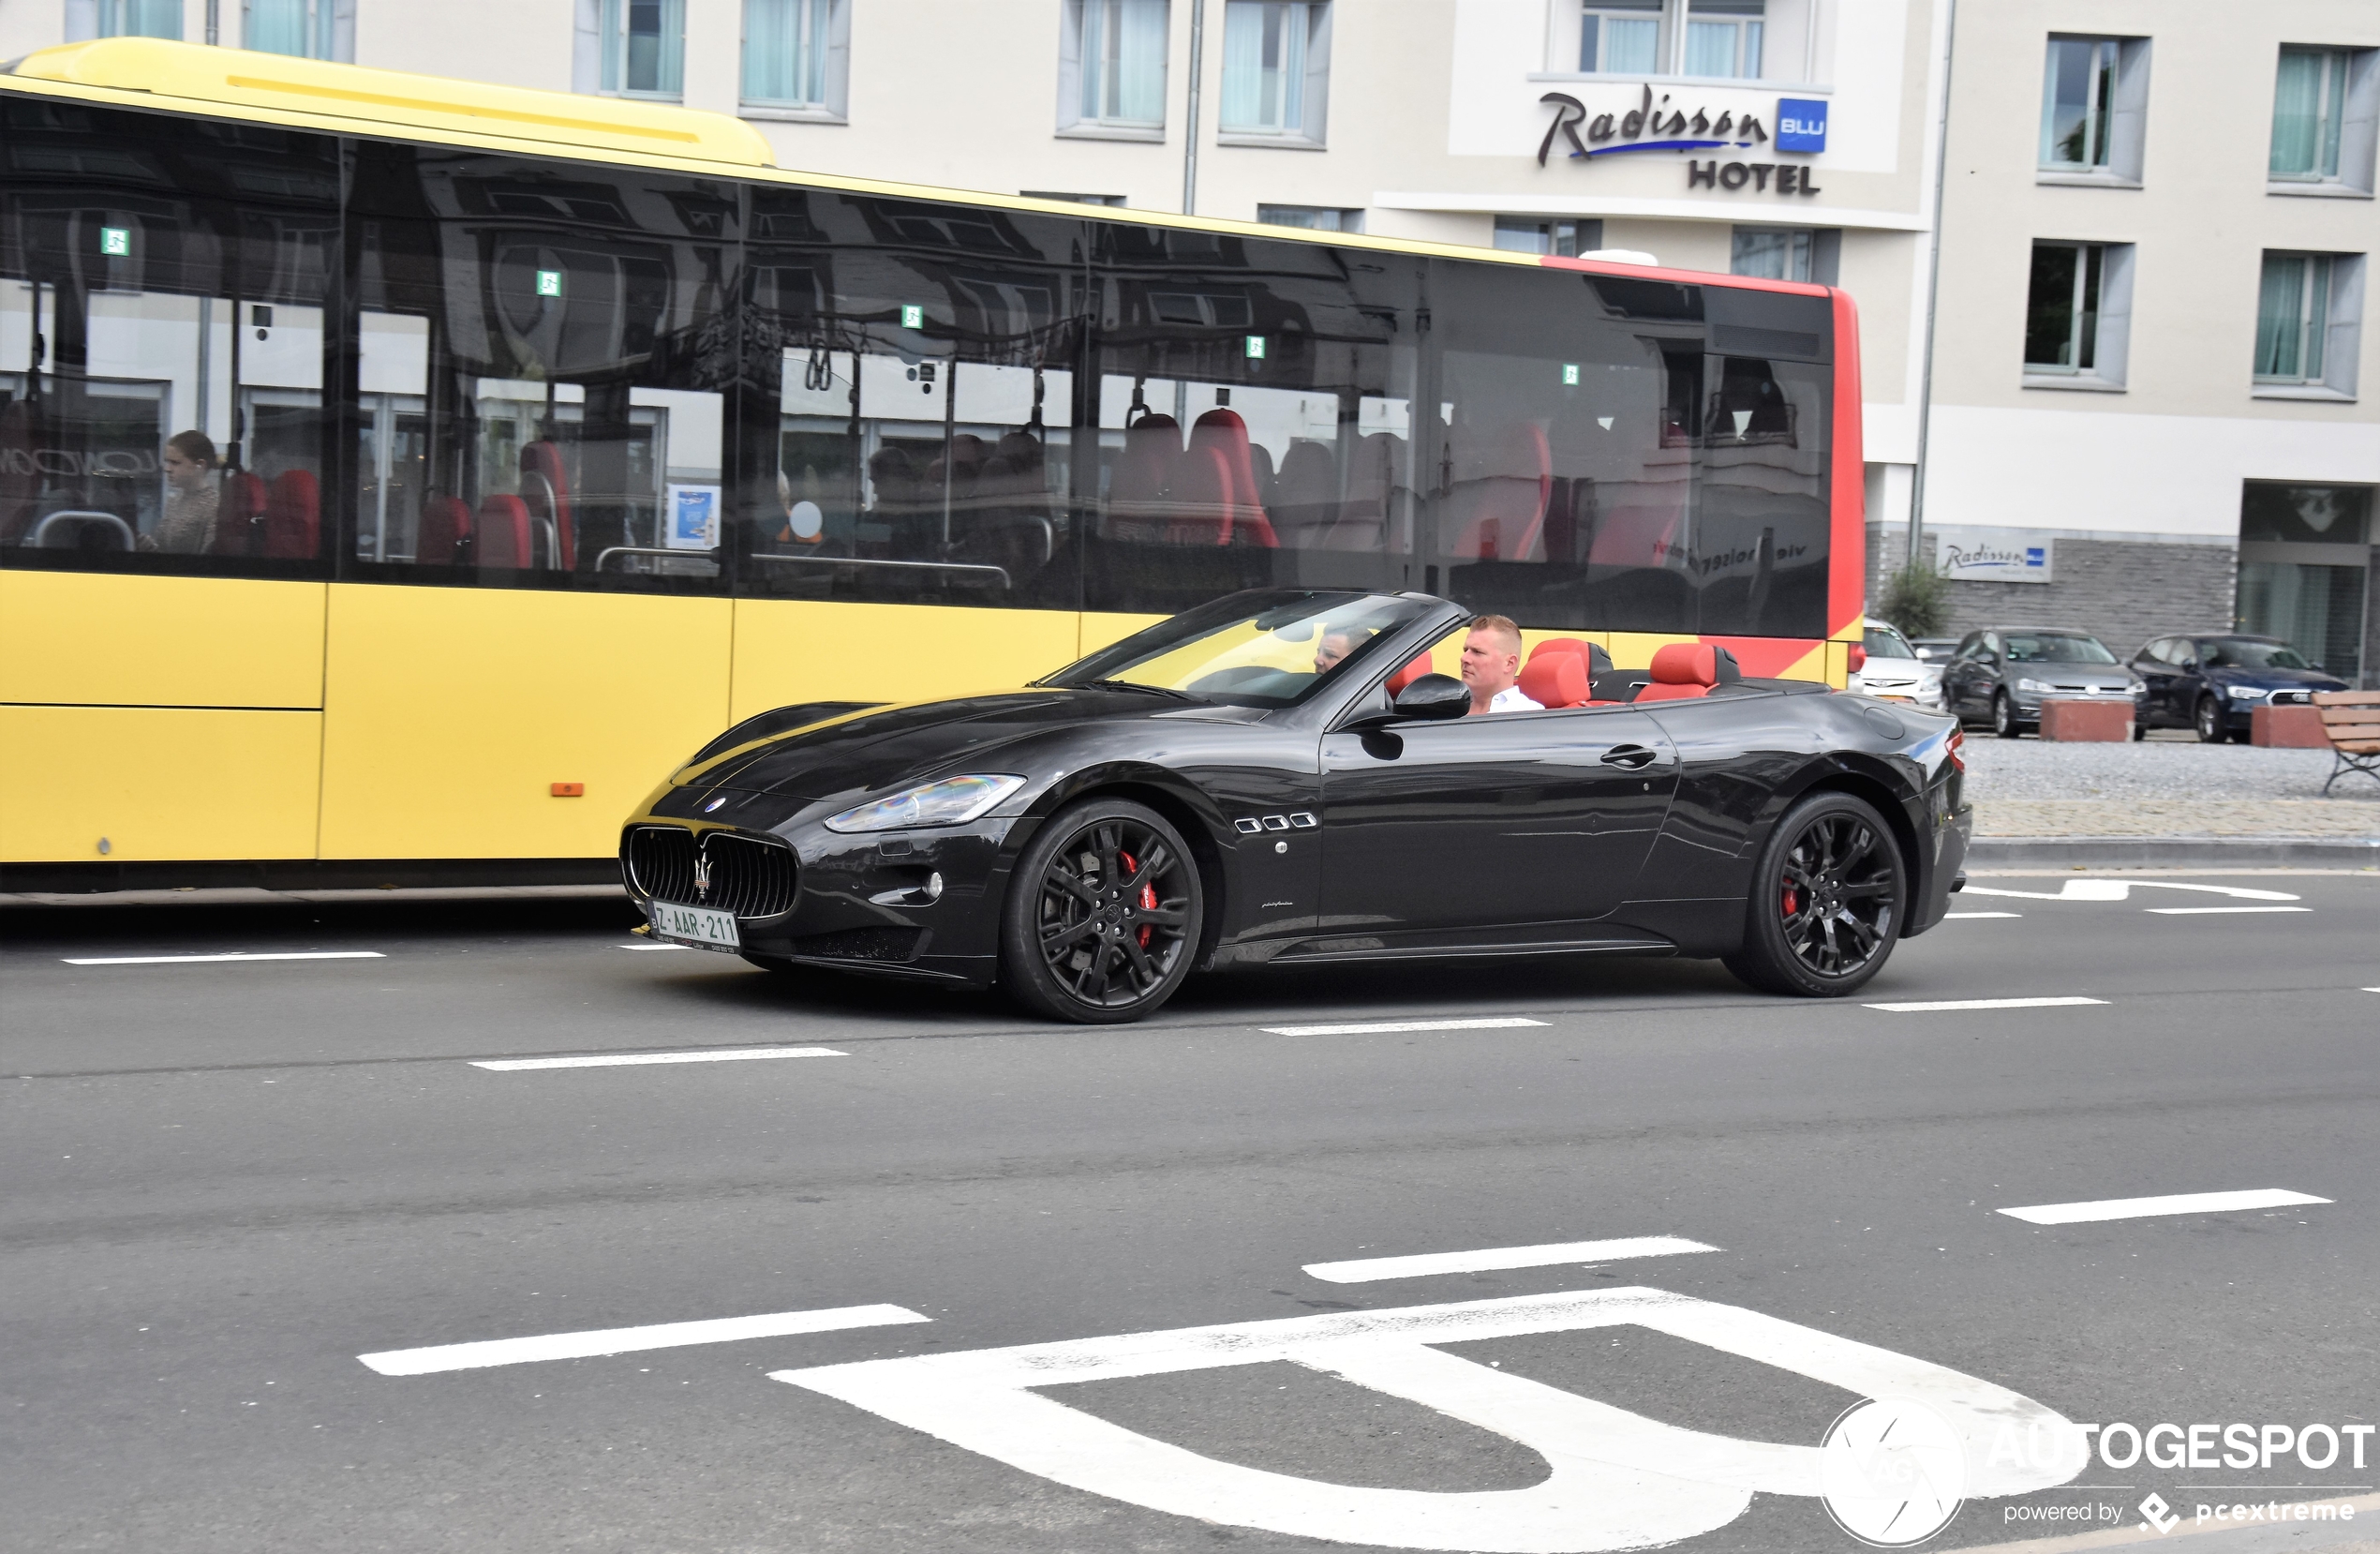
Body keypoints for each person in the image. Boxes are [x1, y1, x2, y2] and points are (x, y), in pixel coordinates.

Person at [143, 429, 219, 554]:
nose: (168, 469)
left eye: (175, 463)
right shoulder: (174, 501)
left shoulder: (214, 506)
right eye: (167, 462)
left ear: (199, 465)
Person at [1460, 614, 1540, 714]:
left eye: (1477, 652)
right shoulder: (1449, 707)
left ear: (1509, 663)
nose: (1464, 658)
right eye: (1465, 650)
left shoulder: (1527, 713)